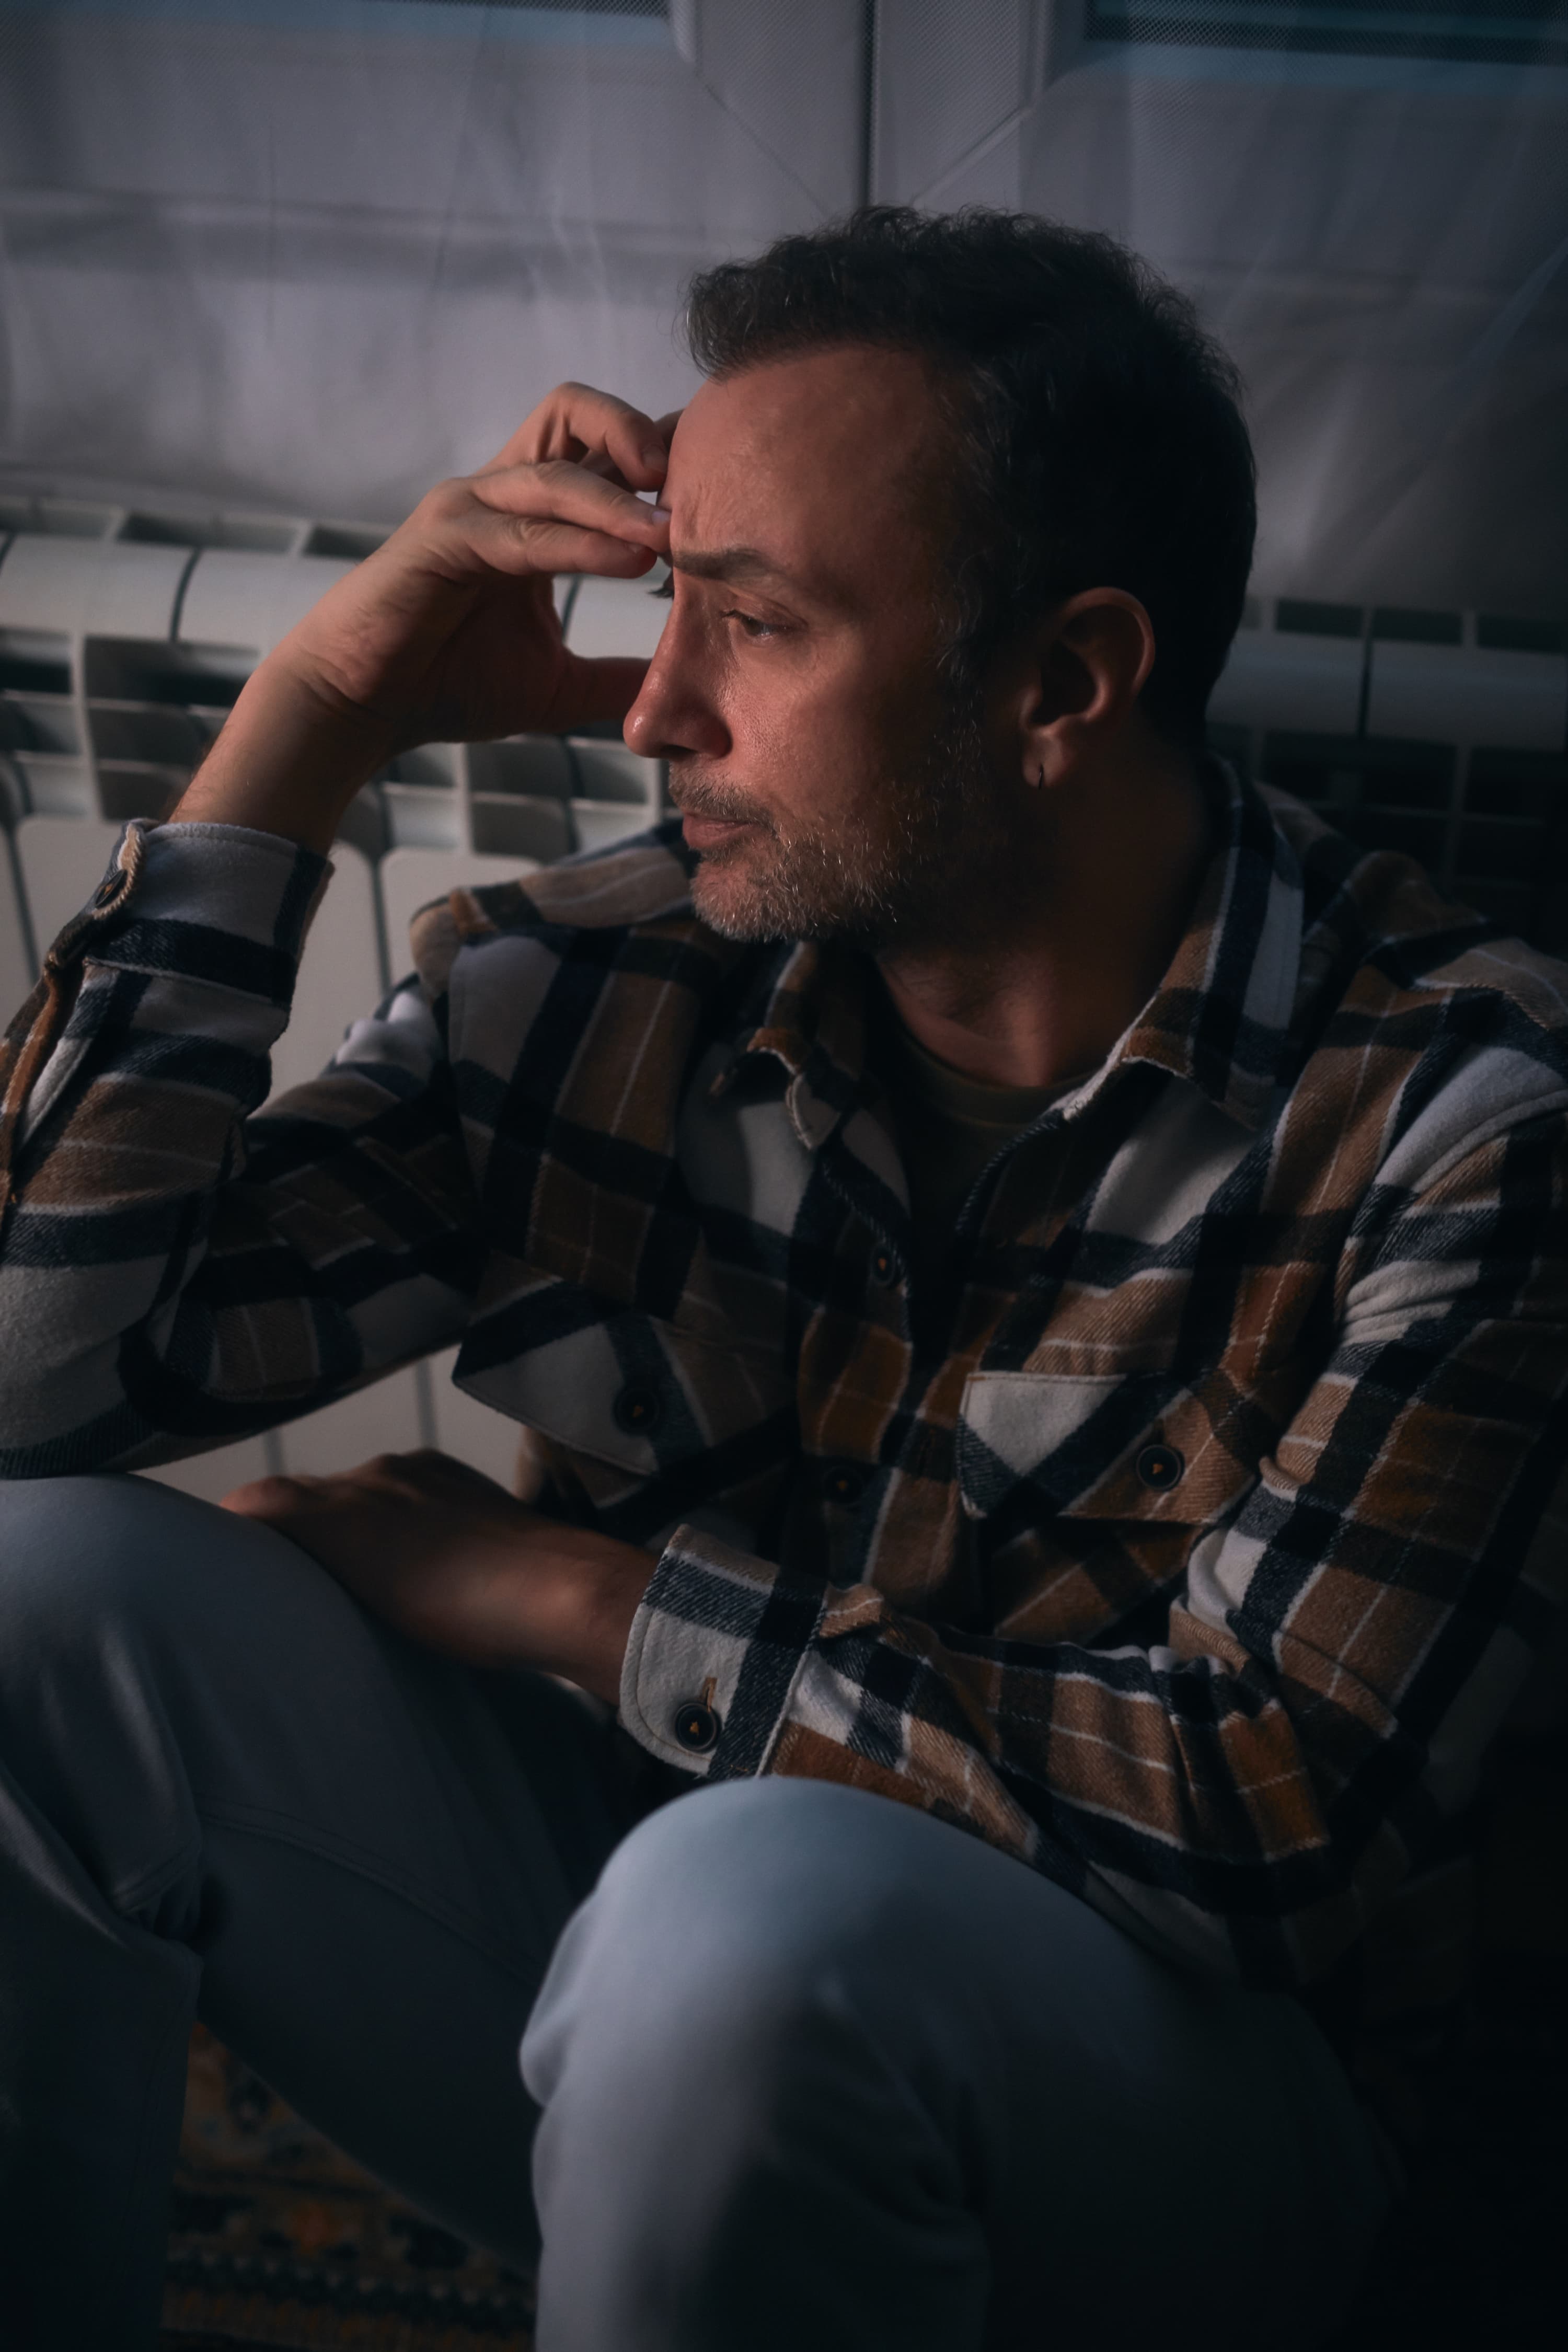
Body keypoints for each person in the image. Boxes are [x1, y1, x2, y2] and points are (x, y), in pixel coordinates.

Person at [0, 206, 1562, 2352]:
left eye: (753, 623)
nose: (654, 707)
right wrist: (318, 710)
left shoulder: (1466, 1123)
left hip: (1193, 2118)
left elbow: (1265, 1827)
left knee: (739, 1917)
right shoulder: (594, 983)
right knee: (30, 1598)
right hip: (652, 1984)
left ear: (1061, 684)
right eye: (671, 603)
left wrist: (585, 1603)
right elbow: (34, 1380)